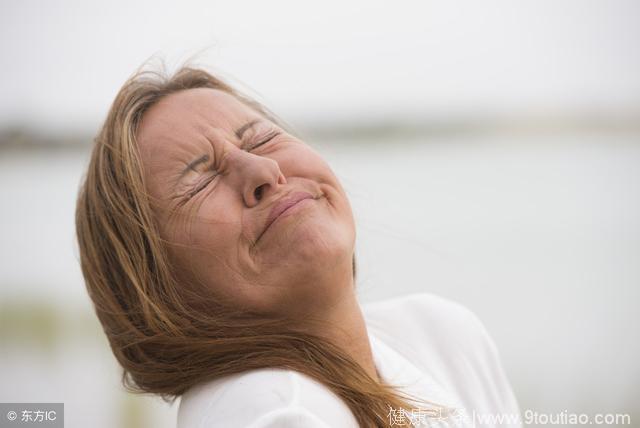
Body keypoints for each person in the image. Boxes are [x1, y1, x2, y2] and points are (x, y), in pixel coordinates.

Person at [75, 64, 522, 427]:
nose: (264, 171)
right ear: (153, 288)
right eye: (199, 178)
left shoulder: (442, 334)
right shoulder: (266, 411)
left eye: (261, 138)